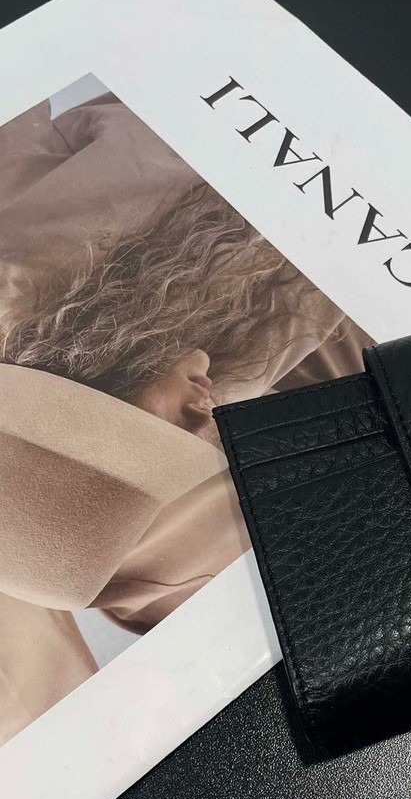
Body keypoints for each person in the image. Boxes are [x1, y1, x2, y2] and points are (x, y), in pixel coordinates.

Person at [0, 91, 372, 744]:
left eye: (160, 435)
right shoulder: (233, 370)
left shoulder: (25, 242)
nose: (207, 411)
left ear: (91, 393)